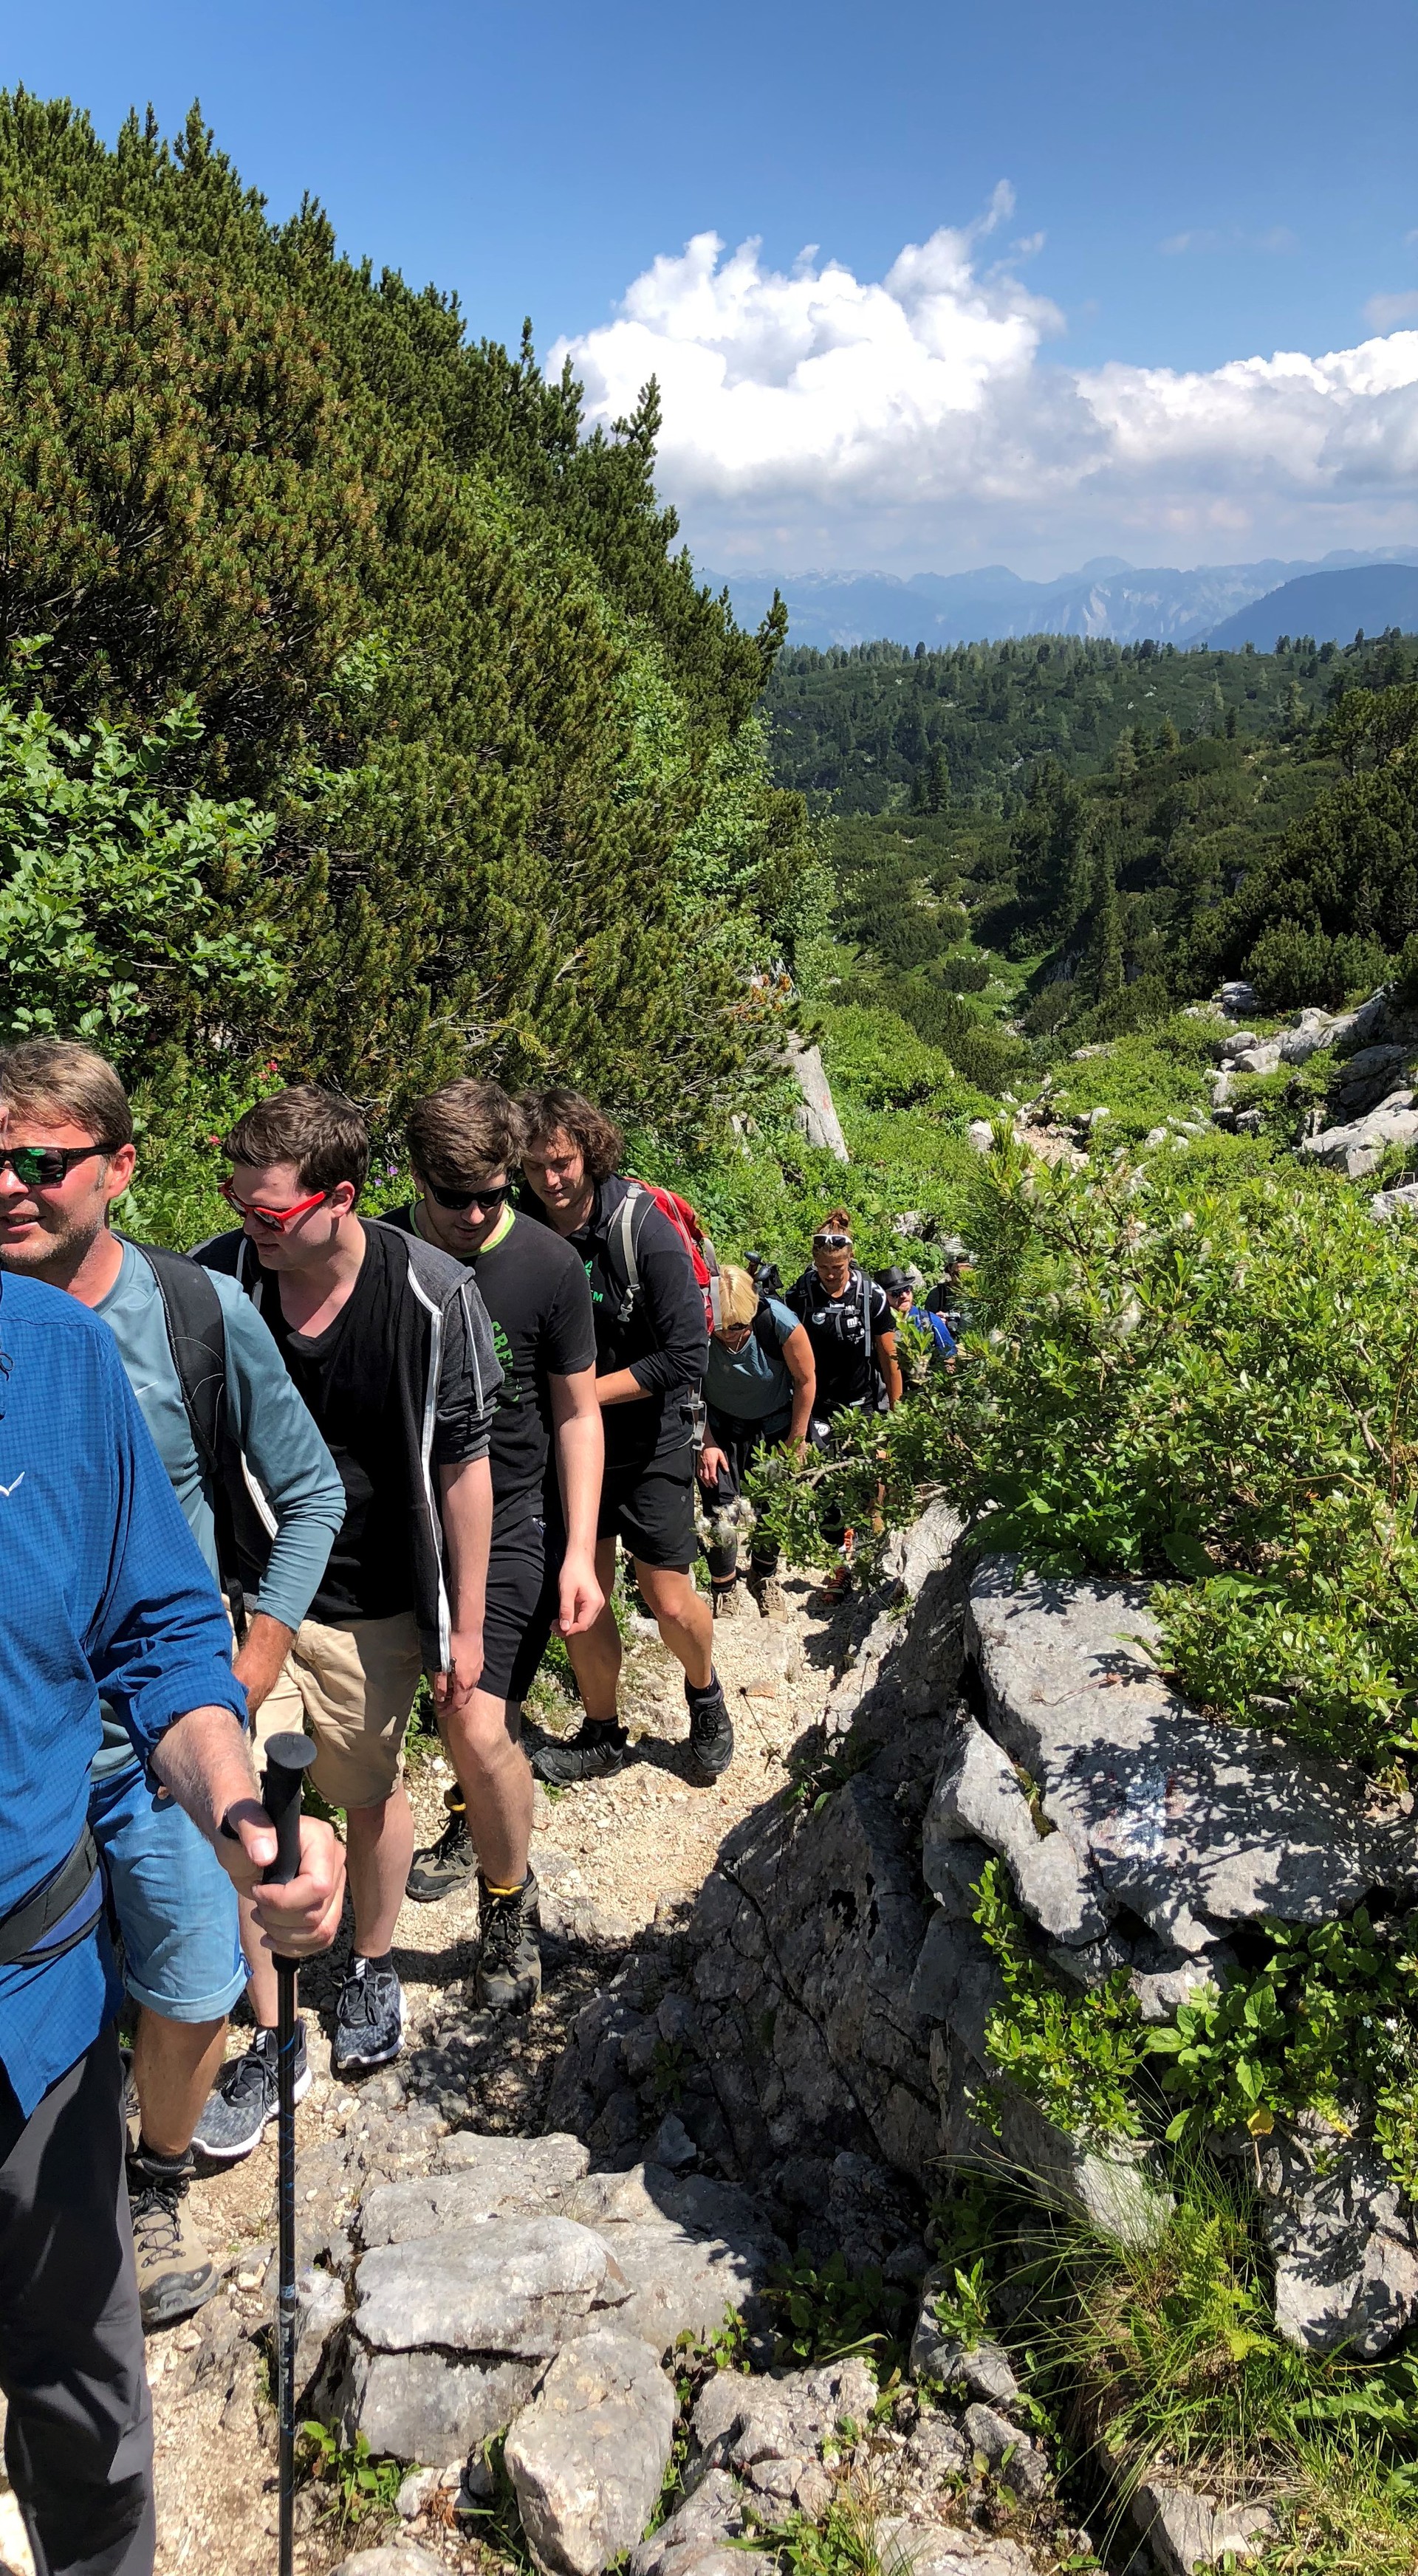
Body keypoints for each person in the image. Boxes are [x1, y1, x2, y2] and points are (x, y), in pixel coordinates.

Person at [0, 1261, 343, 2576]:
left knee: (87, 2415)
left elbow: (157, 1627)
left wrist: (240, 1807)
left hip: (35, 2009)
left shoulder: (57, 1357)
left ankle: (157, 2175)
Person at [0, 1041, 347, 2326]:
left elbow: (310, 1492)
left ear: (121, 1167)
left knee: (194, 1984)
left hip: (166, 1735)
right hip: (27, 1744)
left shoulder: (194, 1309)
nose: (14, 1186)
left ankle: (152, 2177)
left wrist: (250, 1664)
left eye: (44, 1161)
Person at [192, 1085, 501, 2122]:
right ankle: (275, 2029)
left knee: (366, 1791)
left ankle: (372, 1962)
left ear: (341, 1199)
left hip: (373, 1596)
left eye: (270, 1211)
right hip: (249, 1587)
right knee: (247, 1807)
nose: (251, 1225)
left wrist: (462, 1621)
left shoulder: (433, 1294)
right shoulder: (218, 1281)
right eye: (238, 1203)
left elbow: (464, 1464)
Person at [382, 1080, 603, 2007]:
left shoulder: (549, 1265)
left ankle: (509, 1905)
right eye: (454, 1198)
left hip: (514, 1515)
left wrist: (581, 1551)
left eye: (493, 1195)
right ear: (414, 1178)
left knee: (476, 1718)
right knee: (427, 1725)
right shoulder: (379, 1251)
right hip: (405, 1524)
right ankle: (470, 1816)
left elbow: (577, 1413)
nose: (475, 1216)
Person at [518, 1087, 733, 1786]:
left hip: (650, 1439)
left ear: (590, 1151)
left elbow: (685, 1355)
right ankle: (602, 1732)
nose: (550, 1179)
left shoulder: (644, 1231)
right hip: (566, 1444)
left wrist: (580, 1396)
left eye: (562, 1162)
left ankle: (704, 1690)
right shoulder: (523, 1225)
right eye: (535, 1166)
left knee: (666, 1596)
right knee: (581, 1600)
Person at [787, 1212, 902, 1598]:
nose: (830, 1275)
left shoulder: (871, 1296)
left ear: (850, 1258)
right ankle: (840, 1567)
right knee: (826, 1489)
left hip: (863, 1403)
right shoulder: (801, 1295)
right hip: (819, 1405)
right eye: (823, 1268)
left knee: (871, 1484)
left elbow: (889, 1357)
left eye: (837, 1267)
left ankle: (875, 1560)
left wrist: (898, 1415)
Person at [696, 1261, 815, 1621]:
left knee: (772, 1504)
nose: (729, 1336)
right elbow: (686, 1387)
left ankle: (764, 1576)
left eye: (738, 1328)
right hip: (720, 1426)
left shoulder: (777, 1322)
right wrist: (706, 1442)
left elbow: (806, 1380)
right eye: (722, 1328)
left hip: (773, 1425)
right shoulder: (697, 1324)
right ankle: (723, 1586)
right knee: (719, 1507)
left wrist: (797, 1441)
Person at [877, 1264, 957, 1381]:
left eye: (907, 1290)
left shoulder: (930, 1320)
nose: (904, 1296)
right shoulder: (877, 1325)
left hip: (925, 1383)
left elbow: (949, 1357)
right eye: (896, 1293)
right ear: (883, 1297)